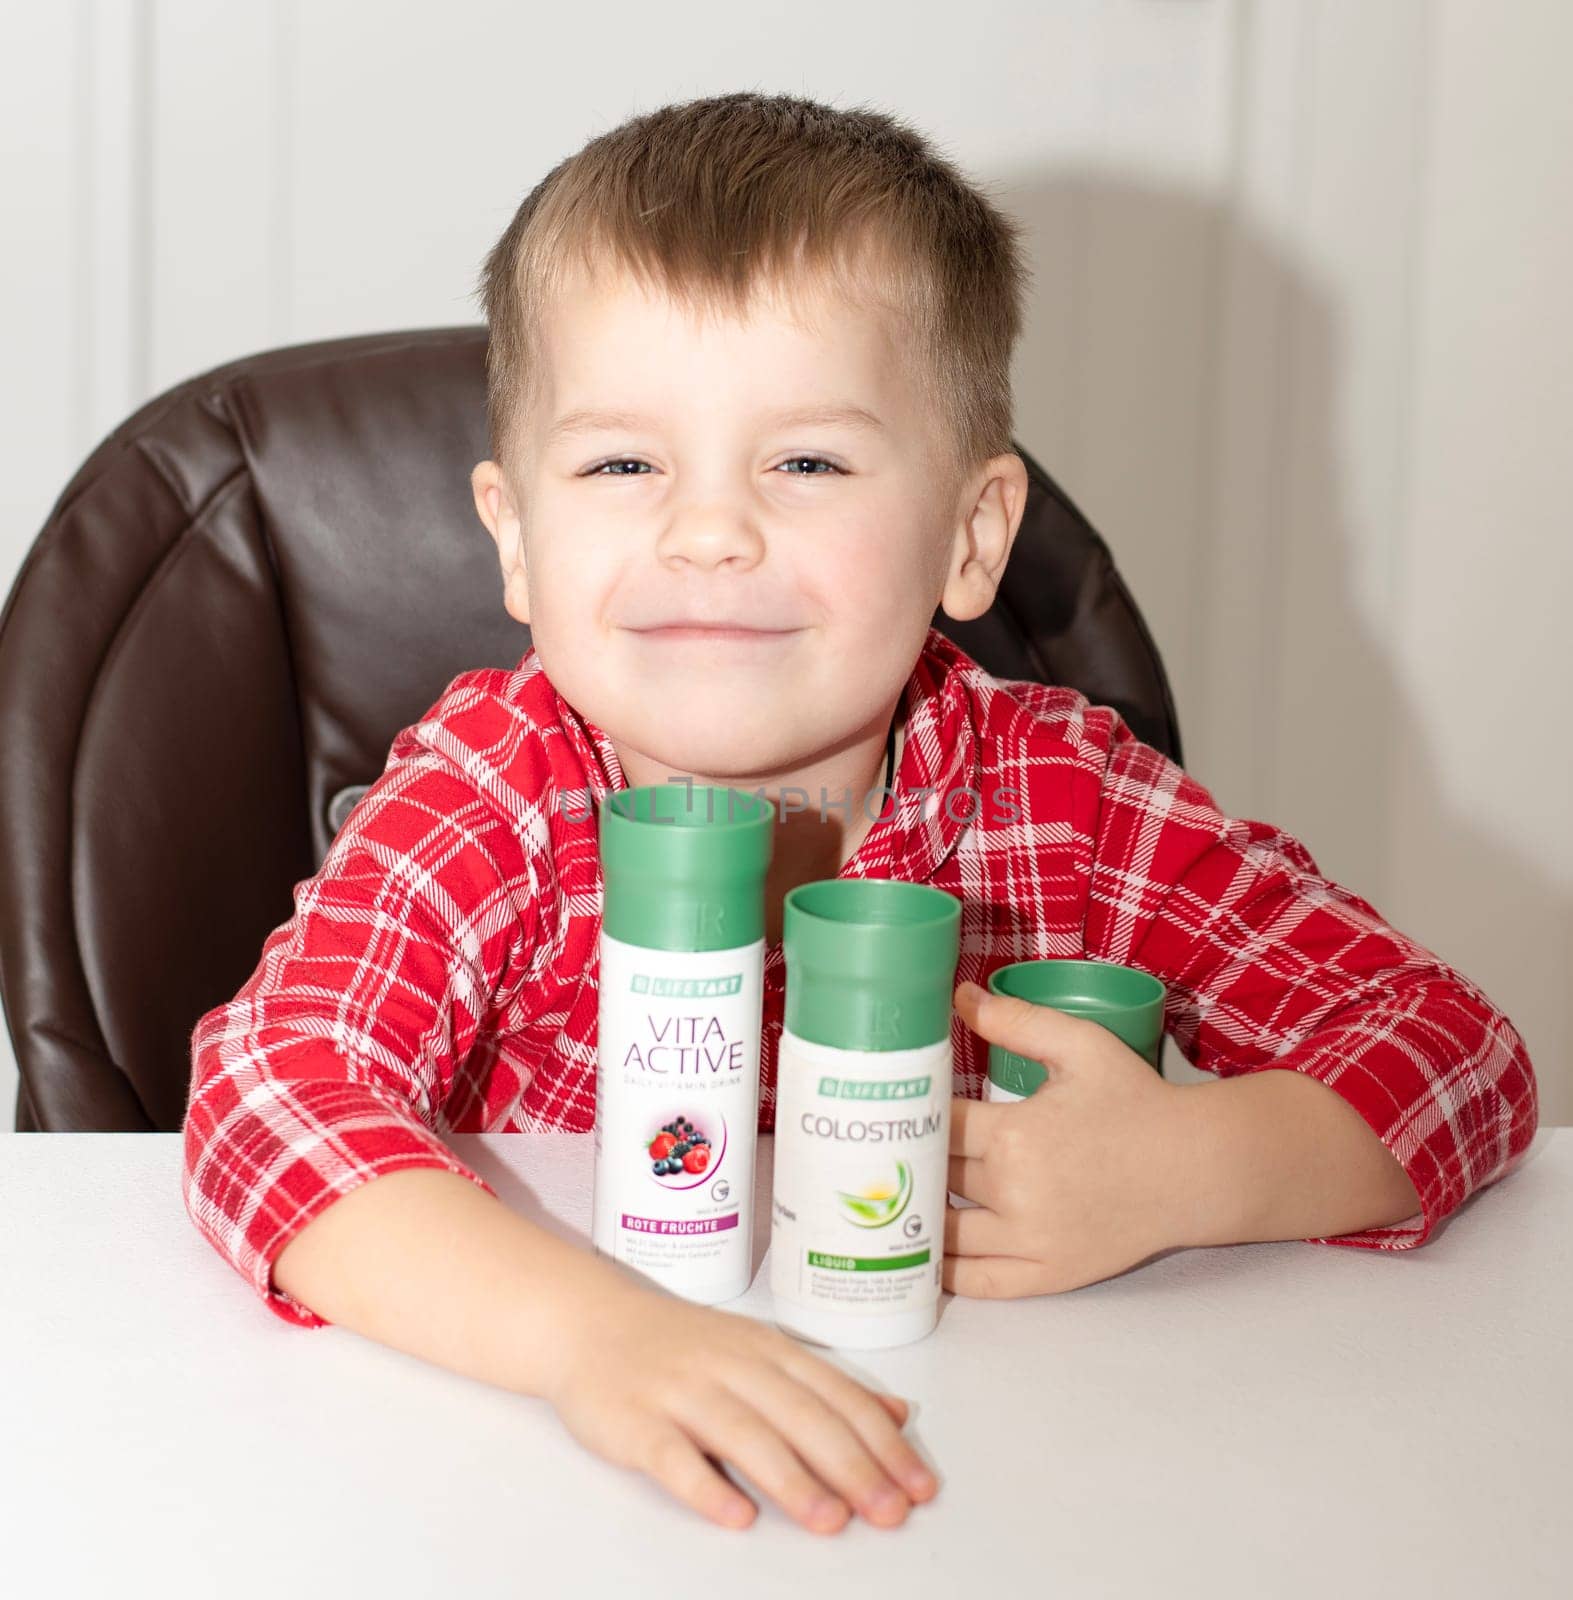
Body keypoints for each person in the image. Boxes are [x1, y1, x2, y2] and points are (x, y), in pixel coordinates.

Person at [180, 90, 1538, 1537]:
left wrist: (1185, 1173)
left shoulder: (1061, 796)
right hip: (534, 1487)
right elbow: (271, 1099)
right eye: (623, 465)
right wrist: (599, 1342)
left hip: (1005, 1481)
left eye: (807, 463)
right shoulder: (494, 782)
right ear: (515, 537)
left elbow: (1454, 1052)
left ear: (969, 538)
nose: (709, 530)